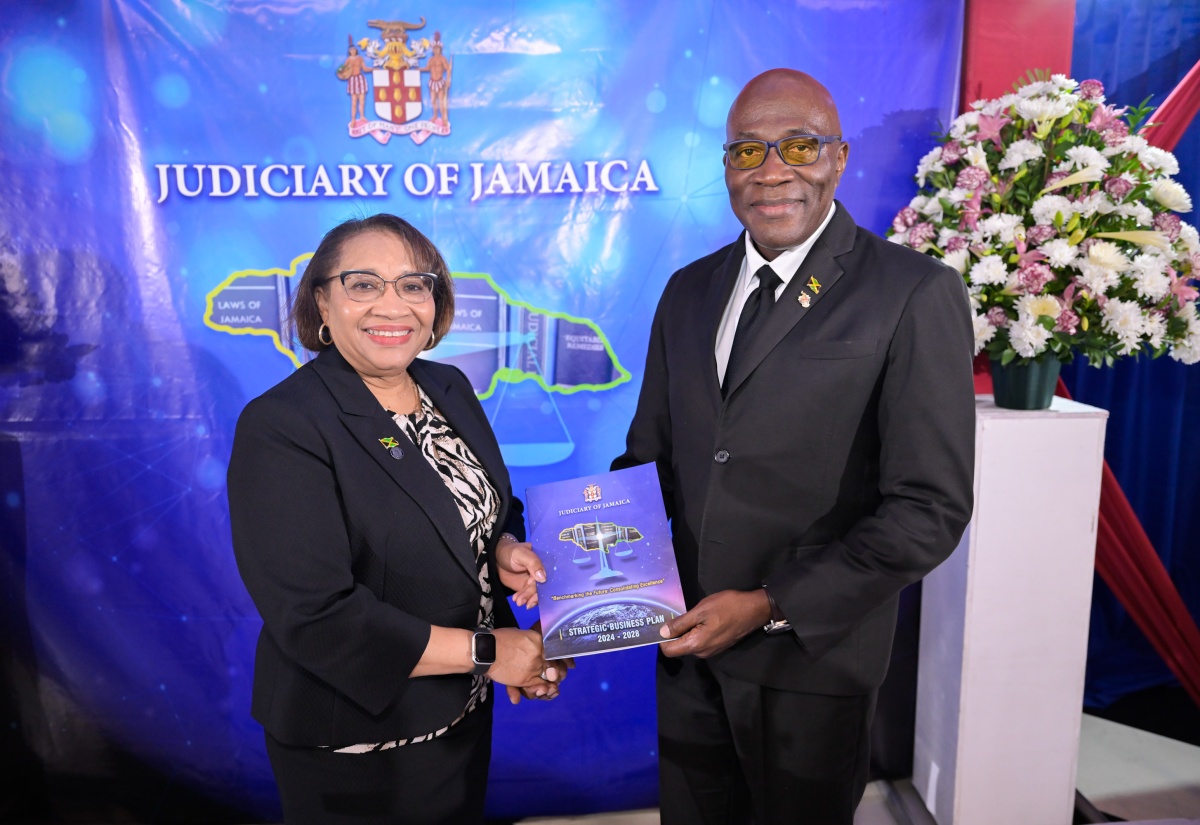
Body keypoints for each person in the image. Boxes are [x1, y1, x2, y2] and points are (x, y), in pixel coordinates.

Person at [612, 69, 976, 823]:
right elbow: (649, 461)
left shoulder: (913, 291)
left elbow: (928, 508)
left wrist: (772, 604)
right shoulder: (686, 290)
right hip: (687, 655)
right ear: (724, 168)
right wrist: (596, 572)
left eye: (799, 145)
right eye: (747, 151)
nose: (772, 170)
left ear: (839, 157)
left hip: (813, 661)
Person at [228, 214, 568, 824]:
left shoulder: (448, 386)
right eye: (363, 284)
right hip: (358, 744)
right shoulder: (283, 425)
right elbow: (317, 617)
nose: (394, 305)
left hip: (459, 713)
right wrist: (495, 651)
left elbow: (479, 506)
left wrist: (504, 547)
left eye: (414, 284)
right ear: (321, 305)